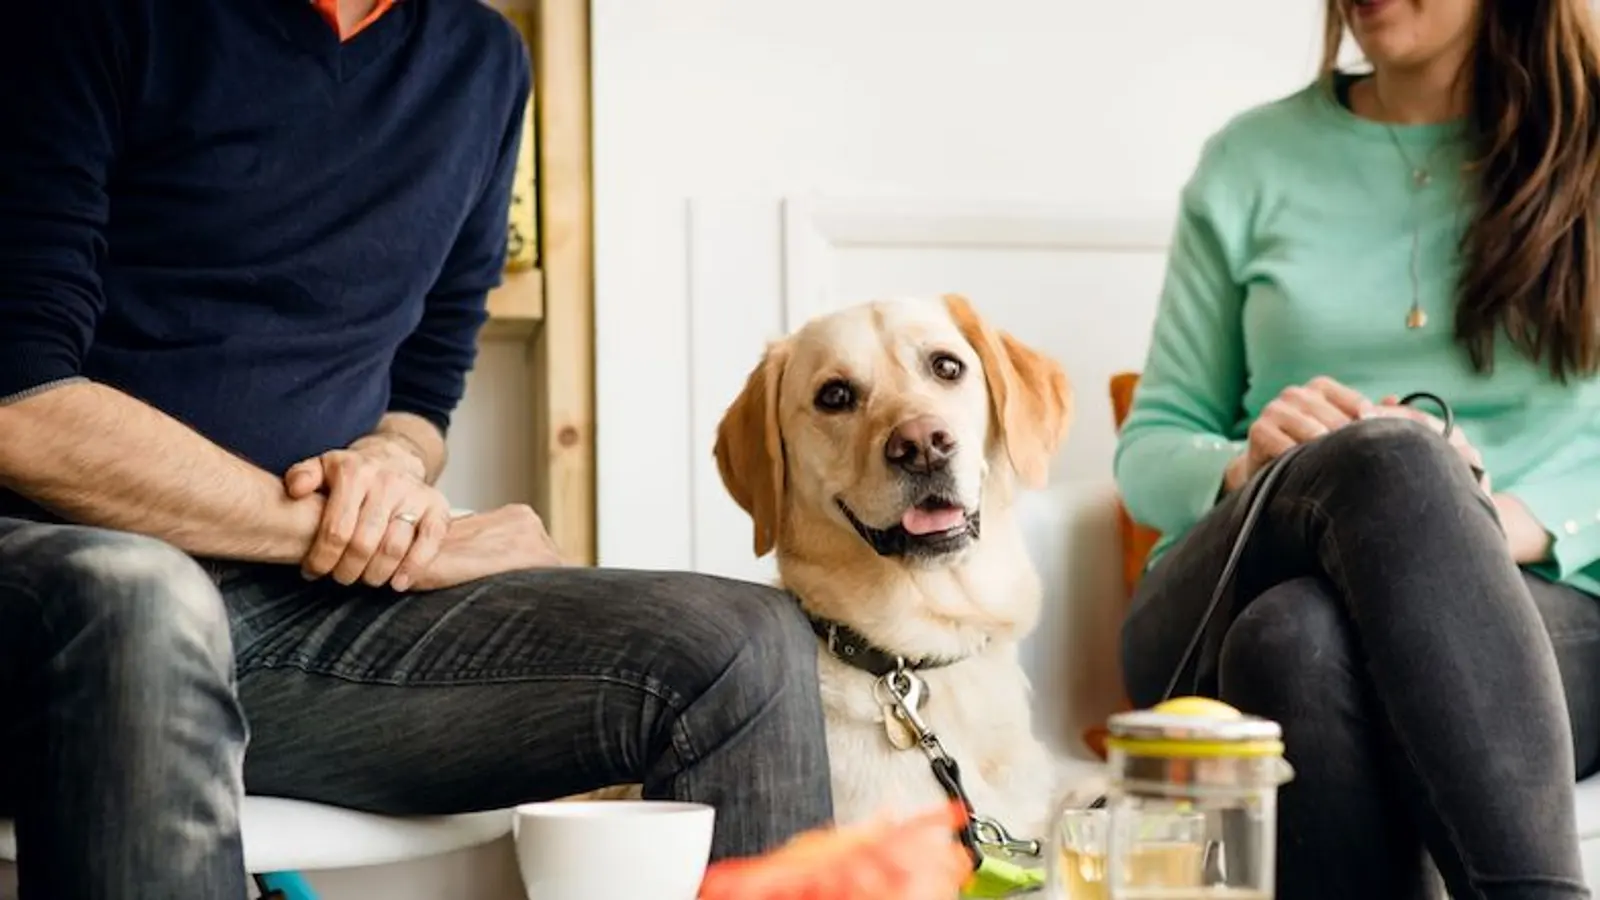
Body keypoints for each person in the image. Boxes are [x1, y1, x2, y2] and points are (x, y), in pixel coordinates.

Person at [0, 0, 832, 897]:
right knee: (146, 596)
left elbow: (425, 384)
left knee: (740, 645)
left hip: (300, 616)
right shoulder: (83, 22)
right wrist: (374, 536)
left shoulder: (481, 61)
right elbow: (21, 405)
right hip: (58, 587)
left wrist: (391, 467)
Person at [1116, 1, 1600, 898]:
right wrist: (1245, 463)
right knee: (1394, 460)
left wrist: (1513, 518)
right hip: (1229, 587)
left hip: (1551, 611)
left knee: (1297, 644)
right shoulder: (1251, 160)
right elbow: (1149, 449)